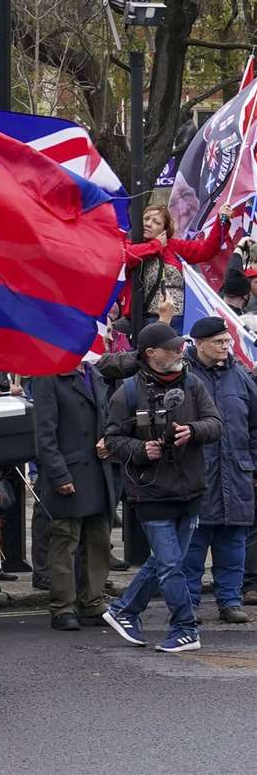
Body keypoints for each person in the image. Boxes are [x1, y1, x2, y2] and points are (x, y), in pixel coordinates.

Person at [103, 321, 224, 653]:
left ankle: (124, 609)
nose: (179, 351)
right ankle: (185, 627)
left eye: (180, 346)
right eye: (172, 348)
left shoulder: (194, 384)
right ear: (151, 353)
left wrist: (194, 431)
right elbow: (111, 440)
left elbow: (216, 424)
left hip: (191, 490)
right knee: (172, 564)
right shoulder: (126, 392)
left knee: (165, 561)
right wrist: (141, 450)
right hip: (151, 490)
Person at [180, 316, 257, 624]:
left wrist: (253, 463)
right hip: (197, 472)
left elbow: (254, 424)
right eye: (219, 342)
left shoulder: (240, 376)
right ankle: (189, 603)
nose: (226, 346)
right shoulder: (183, 376)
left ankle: (230, 601)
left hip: (237, 472)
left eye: (227, 341)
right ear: (199, 344)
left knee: (234, 542)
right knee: (193, 544)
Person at [31, 362, 116, 631]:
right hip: (70, 470)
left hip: (99, 471)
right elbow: (44, 434)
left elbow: (107, 418)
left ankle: (92, 601)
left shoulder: (95, 375)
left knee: (98, 539)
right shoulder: (48, 375)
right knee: (65, 540)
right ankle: (63, 606)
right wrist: (59, 475)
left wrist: (110, 441)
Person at [124, 204, 231, 328]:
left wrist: (222, 221)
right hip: (145, 320)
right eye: (146, 218)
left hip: (177, 320)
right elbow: (128, 256)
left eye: (156, 222)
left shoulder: (174, 246)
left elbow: (207, 250)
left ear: (165, 229)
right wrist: (156, 244)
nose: (148, 224)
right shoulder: (131, 242)